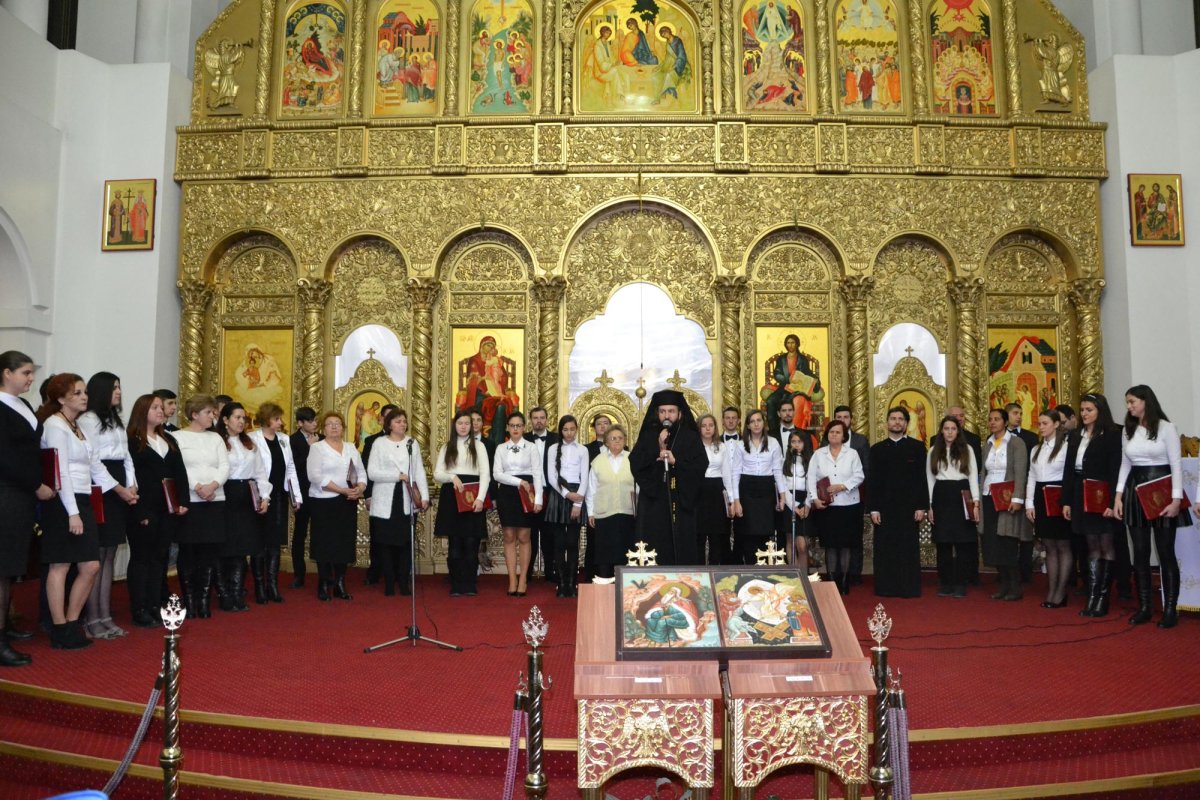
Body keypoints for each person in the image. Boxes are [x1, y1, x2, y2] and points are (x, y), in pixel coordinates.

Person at [38, 373, 118, 648]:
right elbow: (60, 473)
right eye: (77, 393)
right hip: (63, 503)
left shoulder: (76, 426)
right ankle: (60, 628)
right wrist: (72, 512)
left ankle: (72, 622)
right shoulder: (55, 425)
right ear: (61, 398)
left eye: (85, 392)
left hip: (83, 500)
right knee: (60, 565)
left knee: (90, 565)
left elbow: (95, 465)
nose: (85, 396)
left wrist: (120, 490)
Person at [1114, 385, 1190, 628]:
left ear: (1146, 401)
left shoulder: (1167, 428)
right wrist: (1118, 495)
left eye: (1132, 401)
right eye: (1127, 402)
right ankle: (1145, 607)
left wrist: (1176, 500)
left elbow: (1176, 464)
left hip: (1163, 491)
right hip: (1135, 491)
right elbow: (1125, 465)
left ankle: (1170, 609)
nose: (1129, 406)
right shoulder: (1129, 429)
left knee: (1165, 552)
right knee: (1140, 551)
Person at [0, 351, 55, 665]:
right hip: (7, 493)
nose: (31, 379)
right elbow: (5, 457)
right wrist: (35, 485)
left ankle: (5, 627)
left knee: (9, 568)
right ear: (6, 373)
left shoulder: (22, 405)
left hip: (21, 497)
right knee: (2, 569)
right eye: (25, 373)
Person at [77, 372, 139, 638]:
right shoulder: (88, 420)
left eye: (120, 387)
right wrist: (119, 488)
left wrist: (133, 485)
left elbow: (126, 456)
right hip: (102, 488)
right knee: (98, 555)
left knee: (110, 553)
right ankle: (92, 617)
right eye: (114, 387)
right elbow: (93, 461)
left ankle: (105, 614)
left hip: (121, 488)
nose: (118, 392)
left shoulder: (115, 420)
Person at [126, 394, 188, 628]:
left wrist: (183, 501)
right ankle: (139, 607)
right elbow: (130, 476)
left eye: (162, 408)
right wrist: (139, 510)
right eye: (155, 408)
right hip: (143, 507)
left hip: (167, 507)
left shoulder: (169, 439)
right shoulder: (132, 440)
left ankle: (154, 604)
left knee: (159, 558)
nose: (161, 411)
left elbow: (179, 473)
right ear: (142, 411)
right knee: (141, 558)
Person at [1062, 394, 1125, 617]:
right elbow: (1069, 470)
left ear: (1100, 411)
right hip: (1081, 493)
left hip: (1102, 494)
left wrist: (1111, 502)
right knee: (1091, 546)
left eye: (1089, 409)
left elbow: (1115, 470)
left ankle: (1103, 598)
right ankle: (1092, 595)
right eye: (1082, 410)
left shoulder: (1111, 435)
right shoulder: (1076, 435)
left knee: (1105, 544)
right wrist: (1067, 501)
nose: (1084, 413)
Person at [630, 390, 707, 565]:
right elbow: (636, 463)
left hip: (681, 502)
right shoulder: (648, 435)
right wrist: (657, 449)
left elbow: (700, 465)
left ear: (679, 413)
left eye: (671, 411)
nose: (667, 415)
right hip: (654, 503)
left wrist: (676, 462)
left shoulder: (690, 437)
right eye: (663, 411)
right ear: (657, 413)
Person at [173, 395, 229, 618]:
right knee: (188, 551)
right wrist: (197, 487)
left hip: (215, 499)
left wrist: (213, 485)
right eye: (208, 412)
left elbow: (224, 465)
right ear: (194, 414)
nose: (213, 416)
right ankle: (188, 600)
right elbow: (180, 468)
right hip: (191, 500)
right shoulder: (176, 437)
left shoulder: (215, 438)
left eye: (213, 412)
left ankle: (203, 601)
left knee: (209, 552)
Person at [867, 406, 929, 598]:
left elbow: (921, 479)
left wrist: (921, 506)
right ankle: (886, 587)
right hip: (884, 508)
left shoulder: (917, 448)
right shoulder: (877, 449)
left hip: (908, 508)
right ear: (886, 423)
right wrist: (873, 508)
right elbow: (873, 481)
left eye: (900, 419)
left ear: (906, 423)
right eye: (893, 418)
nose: (896, 422)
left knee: (907, 548)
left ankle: (908, 588)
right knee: (885, 548)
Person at [366, 408, 428, 596]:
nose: (402, 424)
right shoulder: (379, 443)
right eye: (398, 421)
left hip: (406, 499)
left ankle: (403, 581)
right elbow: (372, 472)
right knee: (385, 543)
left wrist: (424, 496)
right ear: (389, 424)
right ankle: (389, 583)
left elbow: (418, 471)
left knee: (404, 543)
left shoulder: (412, 443)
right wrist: (397, 476)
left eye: (404, 421)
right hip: (385, 500)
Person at [306, 412, 366, 602]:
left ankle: (340, 583)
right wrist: (341, 490)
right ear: (324, 428)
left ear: (343, 428)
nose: (334, 427)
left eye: (338, 424)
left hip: (347, 502)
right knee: (324, 542)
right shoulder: (317, 448)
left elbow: (361, 472)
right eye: (330, 424)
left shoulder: (350, 448)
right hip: (323, 501)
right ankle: (324, 583)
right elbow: (315, 476)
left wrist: (360, 488)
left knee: (343, 542)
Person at [215, 402, 269, 612]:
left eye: (243, 418)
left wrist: (264, 496)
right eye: (237, 417)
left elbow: (260, 472)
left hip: (246, 496)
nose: (241, 421)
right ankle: (224, 594)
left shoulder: (249, 443)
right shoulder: (218, 441)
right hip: (224, 494)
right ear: (225, 419)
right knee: (224, 546)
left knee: (242, 547)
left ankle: (237, 593)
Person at [248, 402, 302, 604]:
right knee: (259, 542)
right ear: (266, 419)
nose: (280, 423)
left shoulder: (284, 440)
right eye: (276, 419)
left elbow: (290, 469)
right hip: (261, 496)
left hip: (279, 496)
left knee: (274, 542)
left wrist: (296, 496)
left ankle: (272, 584)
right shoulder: (253, 438)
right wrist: (262, 495)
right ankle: (259, 586)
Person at [433, 411, 490, 596]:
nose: (464, 426)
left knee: (472, 542)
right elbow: (437, 473)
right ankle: (456, 584)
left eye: (467, 423)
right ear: (454, 425)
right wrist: (452, 477)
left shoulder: (479, 446)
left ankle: (470, 583)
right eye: (460, 423)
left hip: (473, 496)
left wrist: (481, 498)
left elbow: (485, 475)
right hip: (452, 496)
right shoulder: (447, 447)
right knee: (455, 542)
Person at [807, 420, 864, 594]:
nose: (834, 435)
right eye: (831, 432)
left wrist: (842, 486)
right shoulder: (818, 454)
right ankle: (832, 581)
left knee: (845, 545)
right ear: (827, 434)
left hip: (848, 504)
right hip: (827, 507)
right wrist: (814, 499)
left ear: (844, 435)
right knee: (830, 545)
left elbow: (859, 475)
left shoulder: (852, 453)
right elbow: (810, 478)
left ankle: (844, 580)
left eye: (838, 432)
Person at [927, 416, 980, 598]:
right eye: (946, 428)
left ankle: (961, 583)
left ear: (958, 431)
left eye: (953, 428)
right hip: (942, 495)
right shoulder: (933, 450)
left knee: (963, 542)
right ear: (941, 430)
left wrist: (976, 503)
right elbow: (930, 479)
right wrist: (930, 505)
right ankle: (946, 582)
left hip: (962, 494)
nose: (949, 432)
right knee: (943, 543)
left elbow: (973, 476)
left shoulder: (968, 450)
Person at [981, 408, 1030, 601]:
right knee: (993, 542)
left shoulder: (1016, 443)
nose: (993, 422)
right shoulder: (988, 444)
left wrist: (1018, 498)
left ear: (1004, 421)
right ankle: (1003, 585)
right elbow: (984, 472)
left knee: (1007, 541)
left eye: (997, 419)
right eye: (990, 419)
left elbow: (1020, 471)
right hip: (989, 495)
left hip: (1007, 497)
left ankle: (1015, 586)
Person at [495, 411, 545, 596]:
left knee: (524, 535)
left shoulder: (531, 447)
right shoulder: (501, 448)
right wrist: (518, 482)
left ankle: (523, 578)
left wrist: (538, 499)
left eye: (519, 425)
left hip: (527, 492)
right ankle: (512, 579)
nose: (515, 429)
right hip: (507, 492)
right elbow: (497, 474)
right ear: (507, 428)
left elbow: (537, 474)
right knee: (508, 535)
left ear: (524, 427)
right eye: (512, 425)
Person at [1026, 410, 1072, 608]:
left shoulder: (1066, 447)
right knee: (1049, 545)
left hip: (1059, 496)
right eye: (1039, 423)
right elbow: (1031, 477)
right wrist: (1029, 503)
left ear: (1055, 425)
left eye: (1045, 423)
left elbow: (1070, 476)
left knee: (1063, 545)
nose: (1041, 427)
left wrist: (1067, 501)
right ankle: (1051, 590)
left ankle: (1061, 591)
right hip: (1040, 496)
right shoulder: (1036, 449)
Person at [729, 410, 786, 565]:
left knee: (765, 532)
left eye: (759, 420)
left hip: (766, 490)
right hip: (746, 490)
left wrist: (782, 496)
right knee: (747, 533)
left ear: (763, 423)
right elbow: (735, 473)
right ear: (747, 425)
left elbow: (777, 471)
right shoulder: (740, 445)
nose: (756, 424)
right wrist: (736, 500)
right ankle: (749, 567)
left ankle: (762, 568)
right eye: (752, 421)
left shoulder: (773, 443)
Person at [545, 416, 590, 597]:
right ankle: (561, 583)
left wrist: (577, 502)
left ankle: (572, 583)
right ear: (560, 430)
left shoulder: (583, 450)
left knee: (572, 542)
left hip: (577, 494)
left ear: (576, 429)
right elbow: (551, 476)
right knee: (559, 542)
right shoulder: (552, 449)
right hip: (559, 494)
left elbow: (585, 476)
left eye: (572, 429)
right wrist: (566, 494)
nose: (569, 433)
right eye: (565, 430)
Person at [586, 425, 637, 580]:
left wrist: (639, 511)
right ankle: (604, 588)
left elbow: (639, 487)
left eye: (620, 438)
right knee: (604, 555)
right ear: (606, 442)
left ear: (625, 441)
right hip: (604, 514)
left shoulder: (632, 459)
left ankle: (624, 588)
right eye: (613, 438)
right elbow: (591, 489)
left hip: (627, 513)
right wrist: (591, 512)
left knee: (625, 553)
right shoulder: (597, 461)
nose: (617, 441)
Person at [828, 405, 869, 584]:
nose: (843, 419)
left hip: (855, 495)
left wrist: (847, 486)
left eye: (846, 417)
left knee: (854, 536)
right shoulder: (826, 442)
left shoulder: (860, 441)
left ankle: (854, 574)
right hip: (830, 498)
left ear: (851, 420)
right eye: (839, 416)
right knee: (834, 537)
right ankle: (835, 574)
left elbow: (865, 468)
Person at [361, 403, 400, 587]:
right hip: (379, 496)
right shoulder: (372, 442)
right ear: (383, 420)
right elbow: (366, 471)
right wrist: (367, 496)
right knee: (378, 536)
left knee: (398, 537)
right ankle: (375, 571)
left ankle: (399, 572)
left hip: (400, 497)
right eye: (388, 417)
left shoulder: (406, 441)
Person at [524, 407, 558, 584]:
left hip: (550, 492)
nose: (539, 421)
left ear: (547, 419)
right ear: (531, 420)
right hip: (528, 492)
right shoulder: (523, 439)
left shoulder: (556, 439)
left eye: (542, 418)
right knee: (529, 534)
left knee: (549, 534)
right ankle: (527, 571)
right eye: (535, 418)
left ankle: (550, 570)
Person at [694, 414, 734, 565]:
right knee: (699, 535)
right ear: (699, 428)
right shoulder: (694, 447)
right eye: (704, 426)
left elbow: (727, 474)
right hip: (699, 491)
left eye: (711, 425)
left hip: (717, 492)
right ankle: (698, 572)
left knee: (717, 536)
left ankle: (715, 571)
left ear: (715, 428)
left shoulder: (721, 446)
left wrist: (731, 500)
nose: (708, 428)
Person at [289, 407, 319, 588]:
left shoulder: (322, 438)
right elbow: (294, 467)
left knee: (321, 532)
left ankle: (324, 572)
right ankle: (299, 574)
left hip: (320, 493)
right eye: (310, 421)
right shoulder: (291, 440)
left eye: (315, 420)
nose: (314, 423)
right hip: (301, 493)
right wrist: (310, 448)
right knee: (299, 533)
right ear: (300, 423)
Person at [582, 414, 611, 582]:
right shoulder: (587, 449)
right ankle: (591, 575)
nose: (602, 426)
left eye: (606, 423)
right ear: (594, 428)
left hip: (614, 499)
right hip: (594, 498)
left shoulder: (623, 448)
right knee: (593, 540)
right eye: (599, 424)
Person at [781, 431, 813, 570]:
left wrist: (806, 505)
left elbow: (813, 485)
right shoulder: (785, 461)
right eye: (793, 442)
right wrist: (793, 506)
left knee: (802, 544)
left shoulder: (811, 461)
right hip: (790, 502)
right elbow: (782, 484)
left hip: (805, 501)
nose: (796, 445)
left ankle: (803, 576)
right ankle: (793, 574)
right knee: (790, 540)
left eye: (799, 442)